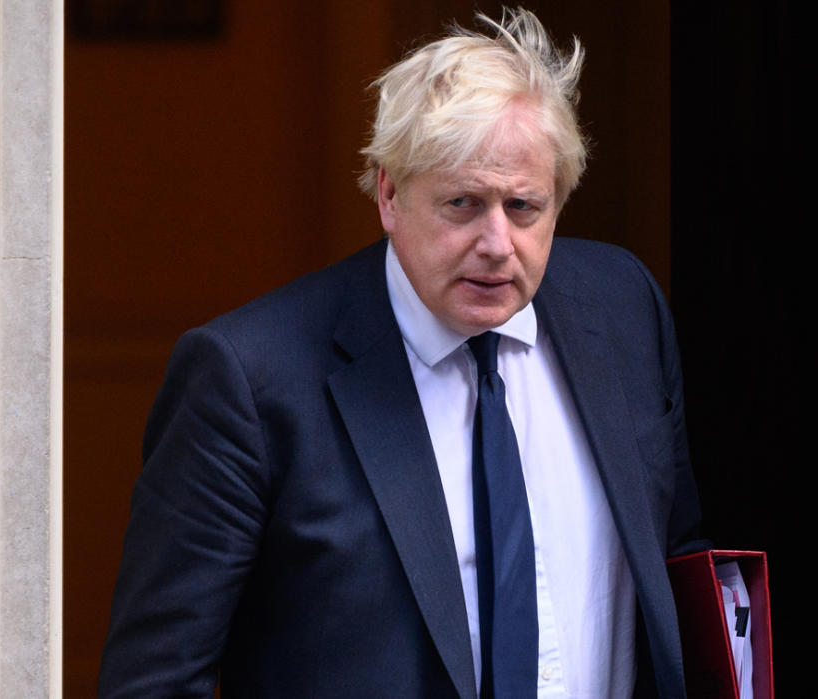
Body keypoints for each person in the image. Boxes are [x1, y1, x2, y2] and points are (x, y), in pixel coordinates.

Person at [98, 8, 706, 698]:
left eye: (524, 207)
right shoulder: (248, 379)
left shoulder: (623, 310)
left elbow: (682, 563)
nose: (497, 242)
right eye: (462, 204)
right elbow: (153, 679)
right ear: (389, 193)